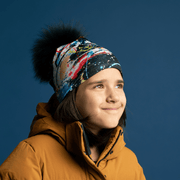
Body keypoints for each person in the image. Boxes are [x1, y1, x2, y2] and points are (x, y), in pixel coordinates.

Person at [0, 23, 146, 179]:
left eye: (118, 85)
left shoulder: (129, 162)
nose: (114, 97)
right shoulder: (32, 156)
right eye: (99, 86)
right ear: (70, 95)